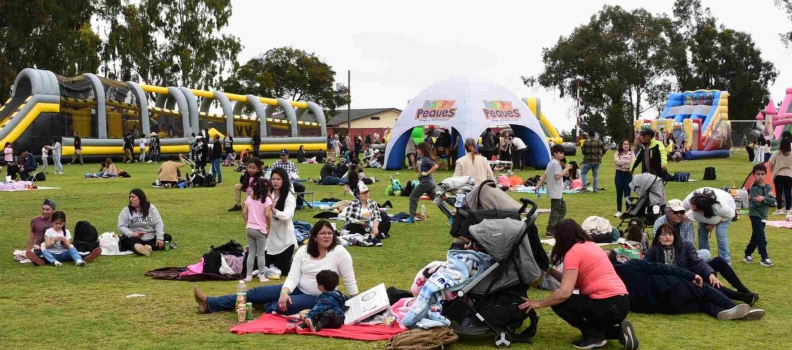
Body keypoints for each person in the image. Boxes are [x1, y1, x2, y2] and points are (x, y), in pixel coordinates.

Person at [194, 220, 358, 314]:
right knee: (254, 292)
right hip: (297, 288)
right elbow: (293, 277)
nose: (327, 236)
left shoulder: (340, 252)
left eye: (330, 233)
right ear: (314, 237)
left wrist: (357, 303)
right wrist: (284, 292)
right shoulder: (303, 251)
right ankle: (211, 303)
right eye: (323, 233)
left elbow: (350, 280)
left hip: (319, 296)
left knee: (284, 306)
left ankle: (265, 304)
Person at [518, 219, 636, 350]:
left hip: (606, 304)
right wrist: (549, 269)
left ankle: (593, 337)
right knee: (572, 301)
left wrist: (538, 303)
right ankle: (618, 332)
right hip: (622, 302)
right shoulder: (591, 246)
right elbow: (571, 281)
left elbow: (564, 293)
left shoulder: (573, 253)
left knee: (559, 302)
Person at [608, 251, 764, 321]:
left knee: (702, 304)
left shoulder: (608, 280)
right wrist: (691, 276)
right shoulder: (633, 264)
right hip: (669, 290)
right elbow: (664, 268)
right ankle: (734, 308)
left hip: (657, 307)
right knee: (703, 289)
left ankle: (720, 312)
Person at [646, 223, 758, 306]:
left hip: (691, 273)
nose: (667, 237)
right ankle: (742, 297)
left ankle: (744, 291)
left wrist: (710, 274)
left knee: (717, 263)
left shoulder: (685, 245)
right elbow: (648, 270)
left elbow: (696, 261)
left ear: (675, 236)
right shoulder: (653, 251)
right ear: (658, 238)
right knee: (705, 284)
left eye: (670, 234)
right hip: (676, 282)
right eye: (664, 235)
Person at [683, 187, 736, 264]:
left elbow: (732, 215)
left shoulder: (720, 207)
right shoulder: (689, 200)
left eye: (695, 209)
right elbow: (681, 208)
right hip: (708, 212)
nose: (693, 210)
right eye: (692, 208)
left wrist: (713, 223)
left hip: (725, 214)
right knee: (701, 232)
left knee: (720, 233)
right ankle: (705, 259)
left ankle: (725, 260)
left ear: (703, 209)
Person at [29, 211, 100, 267]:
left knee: (72, 247)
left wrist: (64, 241)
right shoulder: (49, 231)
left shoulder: (66, 232)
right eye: (56, 223)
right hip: (52, 253)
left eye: (60, 224)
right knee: (43, 245)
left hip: (63, 253)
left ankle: (79, 261)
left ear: (63, 223)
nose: (58, 225)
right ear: (52, 222)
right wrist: (54, 240)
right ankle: (54, 262)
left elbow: (68, 246)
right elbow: (47, 246)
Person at [118, 189, 172, 257]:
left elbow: (158, 223)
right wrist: (132, 234)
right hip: (134, 237)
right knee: (126, 241)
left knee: (167, 237)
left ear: (140, 198)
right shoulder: (126, 210)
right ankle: (139, 247)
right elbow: (121, 226)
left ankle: (147, 247)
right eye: (130, 197)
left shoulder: (151, 208)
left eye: (133, 197)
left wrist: (159, 238)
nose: (131, 199)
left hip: (150, 236)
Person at [267, 168, 298, 276]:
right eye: (273, 179)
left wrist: (272, 209)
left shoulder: (289, 198)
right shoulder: (267, 195)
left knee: (283, 272)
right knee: (263, 267)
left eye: (278, 179)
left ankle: (294, 261)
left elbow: (287, 217)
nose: (275, 182)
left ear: (284, 180)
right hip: (269, 240)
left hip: (284, 241)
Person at [535, 145, 570, 236]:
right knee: (556, 211)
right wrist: (566, 169)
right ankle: (551, 230)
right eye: (560, 153)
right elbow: (557, 176)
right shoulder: (555, 163)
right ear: (555, 153)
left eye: (563, 153)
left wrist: (538, 185)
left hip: (555, 191)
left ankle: (558, 227)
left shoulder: (551, 163)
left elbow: (545, 175)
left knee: (562, 208)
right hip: (555, 191)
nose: (562, 155)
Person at [243, 177, 273, 282]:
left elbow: (244, 212)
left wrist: (248, 222)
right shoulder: (267, 200)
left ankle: (248, 276)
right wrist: (268, 226)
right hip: (260, 230)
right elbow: (267, 214)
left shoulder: (250, 198)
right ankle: (262, 276)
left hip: (250, 228)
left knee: (251, 252)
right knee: (260, 253)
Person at [745, 164, 775, 266]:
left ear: (766, 175)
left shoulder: (768, 186)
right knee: (761, 237)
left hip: (764, 215)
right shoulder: (753, 188)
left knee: (756, 236)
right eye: (758, 174)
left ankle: (747, 253)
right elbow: (756, 202)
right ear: (754, 175)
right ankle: (764, 257)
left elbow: (773, 201)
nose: (760, 176)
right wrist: (767, 198)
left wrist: (763, 198)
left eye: (762, 174)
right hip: (755, 214)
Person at [406, 142, 438, 224]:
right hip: (429, 183)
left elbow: (435, 166)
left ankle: (411, 218)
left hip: (426, 183)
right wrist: (413, 162)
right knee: (437, 200)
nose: (417, 150)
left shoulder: (426, 158)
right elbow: (417, 170)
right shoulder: (421, 158)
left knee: (413, 197)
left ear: (422, 150)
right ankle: (450, 216)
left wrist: (427, 173)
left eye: (418, 149)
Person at [24, 199, 57, 263]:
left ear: (53, 211)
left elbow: (59, 235)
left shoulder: (57, 222)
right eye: (43, 209)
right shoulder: (35, 220)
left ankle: (42, 259)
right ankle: (40, 258)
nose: (44, 211)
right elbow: (31, 236)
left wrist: (51, 245)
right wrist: (28, 251)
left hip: (53, 246)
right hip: (38, 246)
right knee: (38, 250)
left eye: (47, 209)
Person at [768, 138, 792, 215]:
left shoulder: (777, 153)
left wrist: (771, 170)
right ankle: (787, 209)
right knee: (788, 192)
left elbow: (770, 162)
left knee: (779, 193)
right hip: (789, 175)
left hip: (778, 174)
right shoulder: (791, 153)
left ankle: (779, 209)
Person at [614, 139, 635, 216]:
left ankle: (628, 211)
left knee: (627, 193)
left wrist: (624, 163)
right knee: (619, 193)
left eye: (627, 144)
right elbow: (617, 162)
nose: (626, 145)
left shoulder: (632, 154)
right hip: (619, 174)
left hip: (628, 175)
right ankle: (619, 211)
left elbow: (633, 163)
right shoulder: (617, 153)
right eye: (624, 144)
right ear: (621, 145)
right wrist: (628, 162)